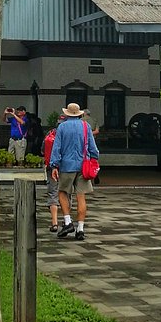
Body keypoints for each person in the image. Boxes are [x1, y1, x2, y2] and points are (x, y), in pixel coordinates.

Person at [49, 102, 99, 241]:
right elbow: (93, 148)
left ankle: (67, 222)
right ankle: (81, 229)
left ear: (66, 114)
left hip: (66, 166)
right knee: (81, 196)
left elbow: (56, 147)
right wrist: (93, 160)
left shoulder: (62, 127)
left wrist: (54, 166)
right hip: (83, 165)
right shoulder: (85, 126)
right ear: (79, 114)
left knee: (63, 192)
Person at [42, 116, 65, 232]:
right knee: (66, 193)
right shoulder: (68, 135)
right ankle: (67, 221)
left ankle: (54, 223)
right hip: (66, 168)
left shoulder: (50, 134)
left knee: (53, 193)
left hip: (51, 168)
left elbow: (42, 150)